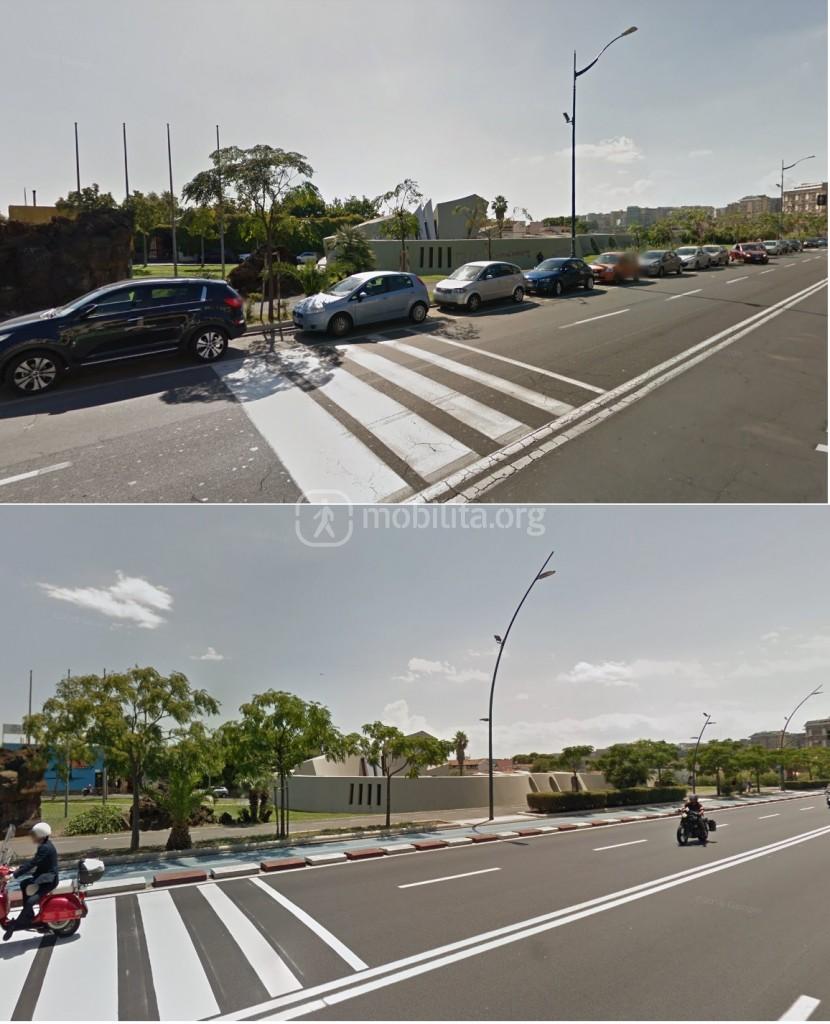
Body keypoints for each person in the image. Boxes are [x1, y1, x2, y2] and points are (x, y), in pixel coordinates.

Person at [3, 822, 58, 941]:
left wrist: (13, 875)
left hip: (48, 881)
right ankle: (29, 915)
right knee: (24, 884)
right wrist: (18, 869)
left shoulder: (45, 848)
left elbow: (33, 863)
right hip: (43, 877)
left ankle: (17, 924)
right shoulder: (45, 844)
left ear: (40, 835)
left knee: (30, 902)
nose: (32, 837)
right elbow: (34, 861)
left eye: (34, 835)